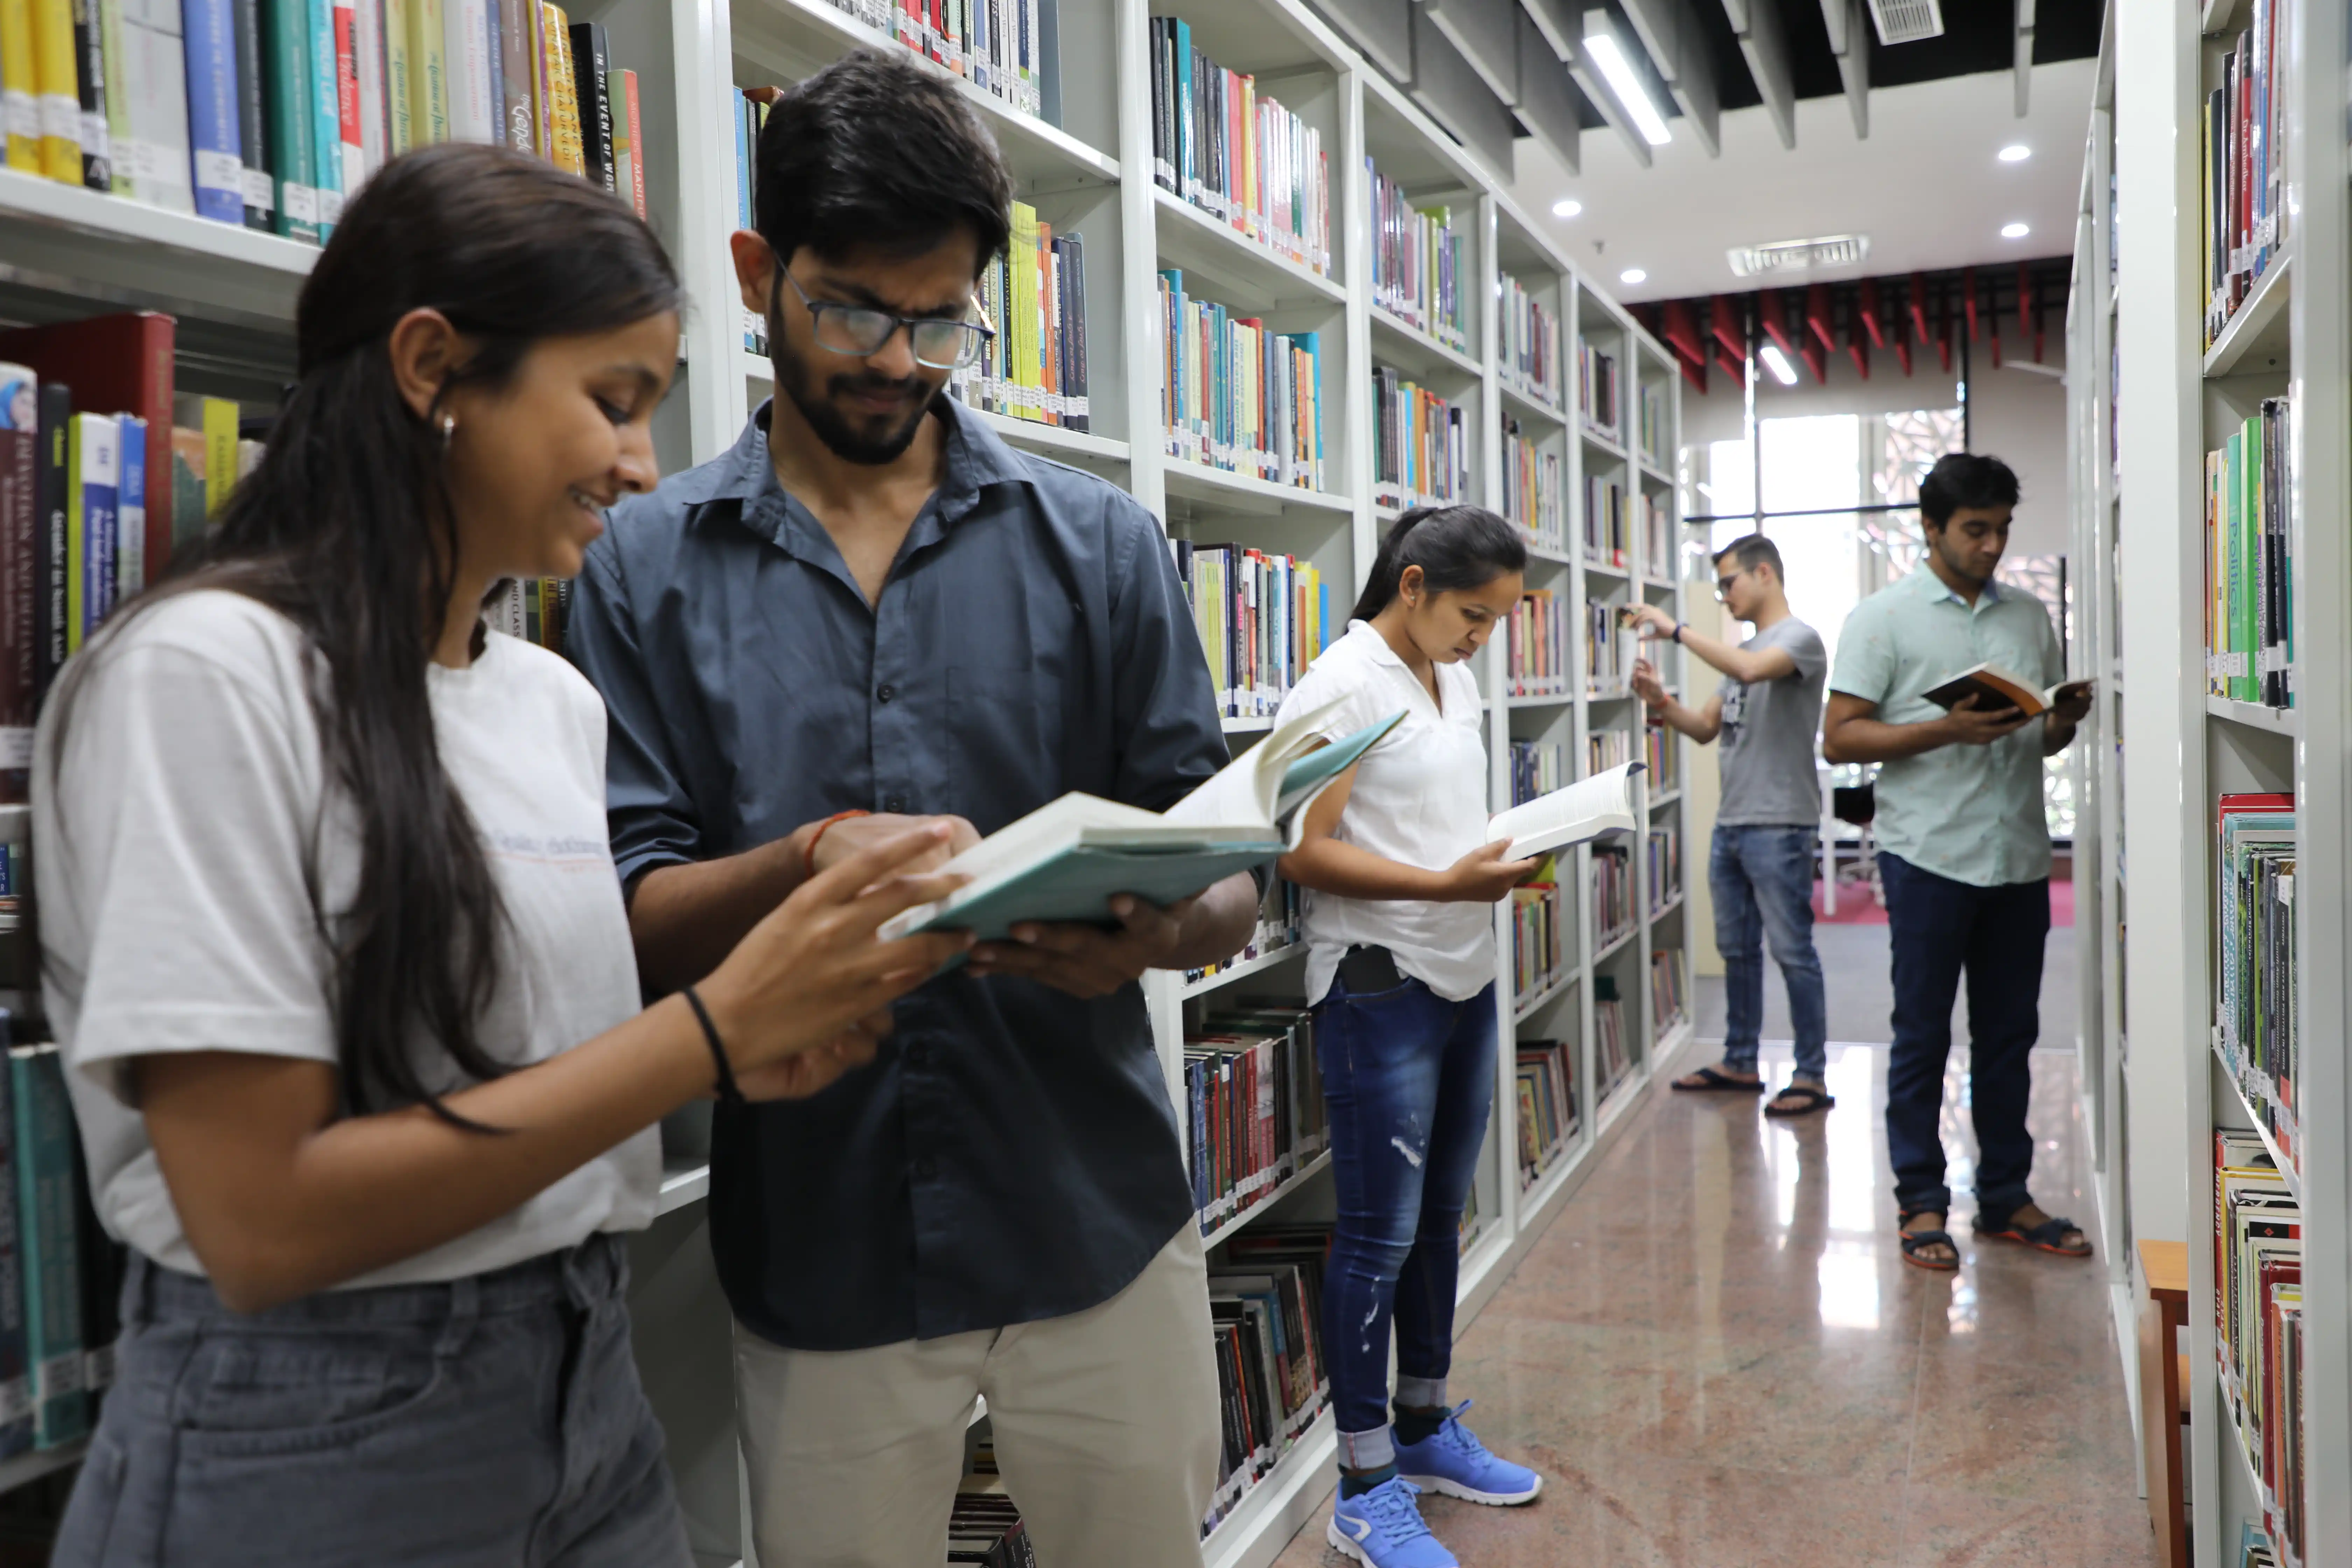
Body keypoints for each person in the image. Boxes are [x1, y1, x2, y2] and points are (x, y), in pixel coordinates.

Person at [32, 144, 971, 1567]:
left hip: (584, 1380)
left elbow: (529, 1076)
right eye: (614, 401)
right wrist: (711, 1035)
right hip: (313, 1421)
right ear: (431, 367)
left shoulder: (547, 701)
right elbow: (262, 1218)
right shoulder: (207, 676)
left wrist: (758, 995)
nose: (644, 464)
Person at [563, 48, 1259, 1568]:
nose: (896, 358)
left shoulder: (1104, 544)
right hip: (824, 1243)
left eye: (940, 319)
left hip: (1092, 1210)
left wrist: (1148, 930)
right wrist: (802, 869)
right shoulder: (640, 569)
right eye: (852, 310)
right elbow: (624, 916)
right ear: (758, 271)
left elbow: (1226, 882)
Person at [1272, 506, 1544, 1568]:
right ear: (1415, 583)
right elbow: (1303, 850)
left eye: (1501, 621)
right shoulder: (1341, 684)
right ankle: (1365, 1481)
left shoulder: (1454, 675)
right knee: (1378, 1237)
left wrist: (1497, 862)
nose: (1484, 638)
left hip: (1464, 973)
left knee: (1441, 1217)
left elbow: (1437, 820)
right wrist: (1442, 883)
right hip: (1381, 982)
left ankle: (1427, 1427)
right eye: (1474, 615)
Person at [1819, 453, 2094, 1272]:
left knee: (2010, 1036)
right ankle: (1921, 1201)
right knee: (1922, 1034)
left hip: (2016, 854)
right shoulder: (1883, 618)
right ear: (1931, 527)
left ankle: (2006, 1195)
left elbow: (2038, 732)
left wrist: (2063, 719)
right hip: (1927, 856)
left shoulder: (2028, 617)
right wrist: (1942, 729)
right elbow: (1840, 737)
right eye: (1976, 529)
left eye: (2002, 529)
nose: (1992, 545)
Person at [1628, 534, 1832, 1117]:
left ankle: (1811, 1074)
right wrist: (1659, 701)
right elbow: (1703, 728)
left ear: (1764, 573)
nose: (1724, 596)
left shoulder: (1799, 640)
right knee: (1737, 951)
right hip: (1733, 824)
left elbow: (1749, 667)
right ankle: (1741, 1061)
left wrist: (1675, 630)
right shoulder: (1744, 650)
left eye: (1729, 583)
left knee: (1793, 954)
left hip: (1780, 824)